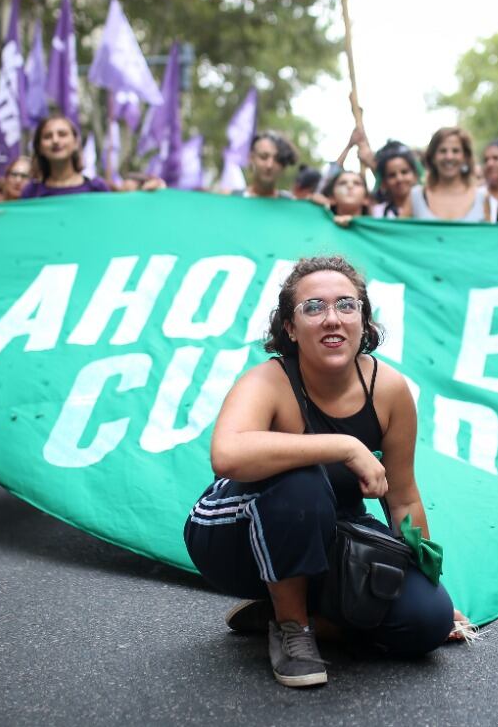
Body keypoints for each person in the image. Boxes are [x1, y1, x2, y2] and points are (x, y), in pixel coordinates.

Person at [184, 256, 464, 688]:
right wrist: (344, 446)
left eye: (346, 306)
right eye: (313, 307)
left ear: (364, 321)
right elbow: (228, 454)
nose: (332, 318)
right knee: (302, 481)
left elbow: (403, 498)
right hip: (231, 537)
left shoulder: (388, 390)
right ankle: (292, 628)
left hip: (329, 536)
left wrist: (428, 581)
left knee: (428, 622)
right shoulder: (269, 381)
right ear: (291, 328)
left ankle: (294, 614)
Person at [409, 127, 487, 221]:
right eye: (442, 151)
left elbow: (493, 233)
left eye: (455, 151)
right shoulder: (415, 196)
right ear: (433, 157)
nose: (449, 157)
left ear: (465, 157)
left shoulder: (483, 197)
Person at [21, 116, 111, 198]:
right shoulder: (31, 192)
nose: (55, 141)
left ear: (76, 142)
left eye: (62, 134)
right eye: (48, 136)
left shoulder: (97, 188)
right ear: (39, 147)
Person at [238, 133, 297, 199]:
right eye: (263, 157)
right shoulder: (231, 200)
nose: (269, 165)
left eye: (277, 159)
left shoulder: (292, 203)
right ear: (251, 158)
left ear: (283, 166)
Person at [370, 140, 419, 219]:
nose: (399, 179)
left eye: (404, 172)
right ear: (384, 182)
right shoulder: (377, 213)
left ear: (415, 175)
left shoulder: (431, 207)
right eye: (392, 175)